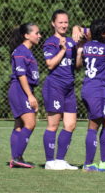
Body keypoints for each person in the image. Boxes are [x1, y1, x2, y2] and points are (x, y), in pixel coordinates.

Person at [76, 18, 105, 172]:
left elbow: (84, 33)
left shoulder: (87, 46)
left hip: (89, 88)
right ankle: (88, 164)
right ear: (103, 33)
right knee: (94, 125)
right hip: (98, 90)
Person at [42, 10, 78, 170]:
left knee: (70, 124)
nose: (64, 25)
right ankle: (50, 161)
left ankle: (61, 160)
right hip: (55, 86)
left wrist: (80, 50)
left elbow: (76, 65)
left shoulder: (71, 42)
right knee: (53, 125)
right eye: (60, 22)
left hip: (69, 88)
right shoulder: (50, 42)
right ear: (53, 23)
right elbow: (49, 64)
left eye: (66, 22)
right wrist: (62, 50)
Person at [8, 23, 42, 168]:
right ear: (26, 35)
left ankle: (17, 157)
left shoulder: (27, 51)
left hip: (22, 89)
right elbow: (21, 75)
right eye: (37, 33)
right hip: (20, 90)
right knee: (30, 123)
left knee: (19, 125)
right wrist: (30, 95)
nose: (39, 35)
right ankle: (16, 158)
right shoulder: (21, 51)